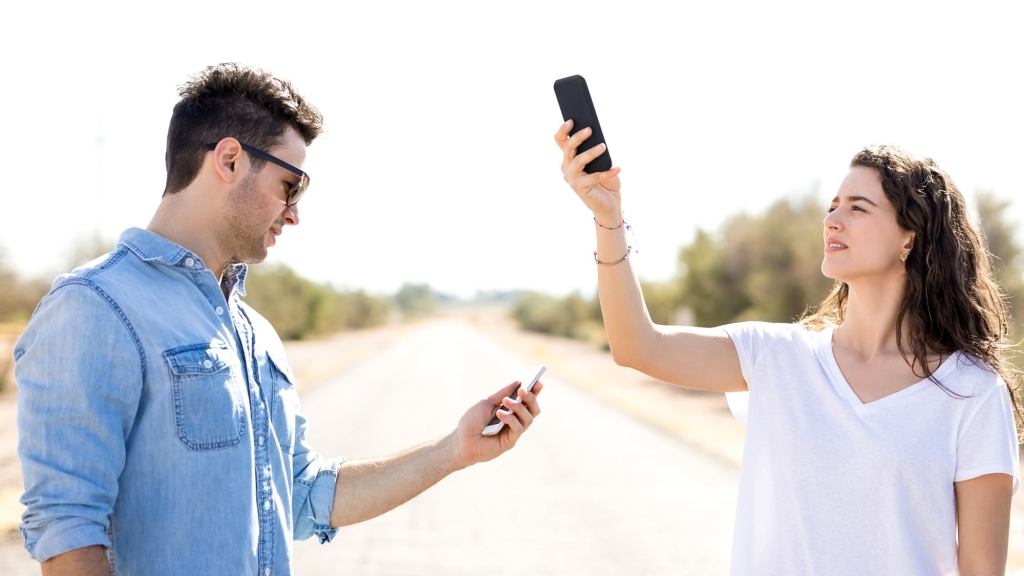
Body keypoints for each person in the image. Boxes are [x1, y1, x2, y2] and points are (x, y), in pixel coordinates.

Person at [14, 63, 543, 576]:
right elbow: (68, 533)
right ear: (229, 161)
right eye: (292, 186)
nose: (294, 213)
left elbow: (304, 491)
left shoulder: (253, 331)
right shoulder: (95, 306)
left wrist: (454, 450)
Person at [555, 120, 1019, 575]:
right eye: (832, 205)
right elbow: (638, 346)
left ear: (909, 238)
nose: (832, 220)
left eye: (858, 208)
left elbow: (981, 570)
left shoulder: (970, 391)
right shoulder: (775, 357)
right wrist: (608, 219)